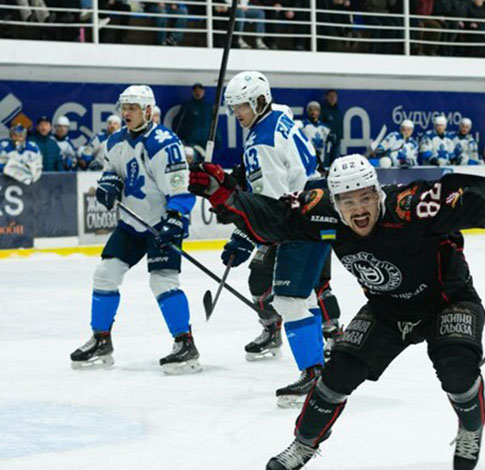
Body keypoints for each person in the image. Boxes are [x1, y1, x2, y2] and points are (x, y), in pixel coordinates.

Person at [187, 153, 485, 470]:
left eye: (365, 198)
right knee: (337, 374)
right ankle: (303, 444)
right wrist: (227, 196)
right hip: (386, 309)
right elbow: (275, 217)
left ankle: (471, 427)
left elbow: (469, 199)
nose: (358, 209)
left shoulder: (413, 205)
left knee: (457, 369)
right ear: (335, 203)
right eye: (347, 202)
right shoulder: (320, 211)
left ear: (378, 193)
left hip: (448, 301)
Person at [70, 85, 200, 375]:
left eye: (133, 108)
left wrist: (175, 219)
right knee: (105, 274)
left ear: (148, 111)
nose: (126, 113)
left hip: (163, 223)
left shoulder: (165, 144)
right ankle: (101, 340)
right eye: (124, 107)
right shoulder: (115, 140)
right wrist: (108, 185)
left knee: (162, 282)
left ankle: (185, 343)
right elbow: (112, 172)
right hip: (132, 223)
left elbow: (181, 190)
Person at [218, 70, 330, 407]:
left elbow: (270, 208)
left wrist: (241, 235)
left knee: (287, 300)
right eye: (233, 106)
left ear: (259, 101)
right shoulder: (279, 116)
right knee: (304, 297)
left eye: (241, 106)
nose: (236, 113)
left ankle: (314, 375)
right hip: (319, 207)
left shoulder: (261, 143)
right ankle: (320, 370)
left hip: (298, 220)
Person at [173, 83, 213, 158]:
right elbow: (178, 123)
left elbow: (213, 123)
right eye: (196, 91)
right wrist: (182, 138)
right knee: (192, 160)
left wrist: (217, 140)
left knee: (206, 162)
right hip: (191, 143)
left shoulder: (208, 107)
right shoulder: (187, 106)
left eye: (200, 91)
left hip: (205, 142)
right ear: (193, 92)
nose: (198, 93)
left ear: (203, 92)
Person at [300, 101, 333, 169]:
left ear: (319, 112)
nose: (313, 112)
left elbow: (328, 147)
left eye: (315, 109)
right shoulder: (303, 126)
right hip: (307, 160)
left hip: (321, 160)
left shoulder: (325, 128)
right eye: (310, 110)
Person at [320, 89, 343, 159]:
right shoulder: (323, 110)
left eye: (334, 96)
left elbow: (340, 126)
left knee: (336, 160)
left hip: (337, 142)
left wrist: (339, 137)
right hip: (326, 142)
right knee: (326, 160)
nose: (332, 98)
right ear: (326, 97)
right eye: (330, 96)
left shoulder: (338, 111)